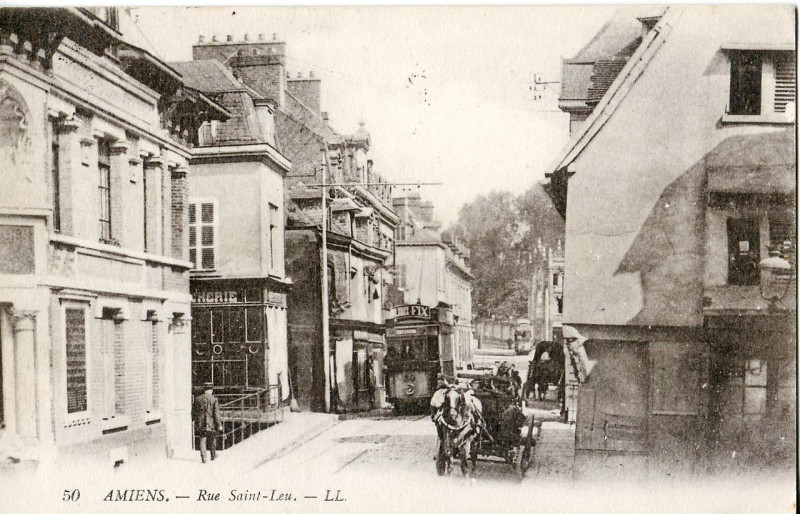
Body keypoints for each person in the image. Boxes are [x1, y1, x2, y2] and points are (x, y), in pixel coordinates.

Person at [193, 382, 222, 463]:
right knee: (212, 440)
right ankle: (213, 456)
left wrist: (195, 421)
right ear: (211, 390)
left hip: (201, 423)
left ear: (204, 390)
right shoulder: (214, 399)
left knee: (202, 440)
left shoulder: (197, 399)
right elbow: (216, 414)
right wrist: (219, 424)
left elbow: (194, 412)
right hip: (211, 423)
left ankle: (204, 458)